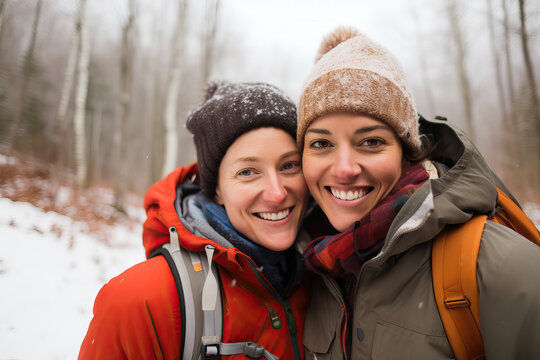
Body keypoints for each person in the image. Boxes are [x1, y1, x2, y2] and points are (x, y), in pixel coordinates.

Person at [296, 27, 540, 359]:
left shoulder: (503, 270)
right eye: (321, 143)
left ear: (407, 151)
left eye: (371, 142)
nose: (344, 169)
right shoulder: (309, 270)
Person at [78, 81, 311, 359]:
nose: (277, 193)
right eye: (248, 172)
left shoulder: (326, 281)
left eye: (289, 165)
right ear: (216, 190)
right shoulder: (141, 302)